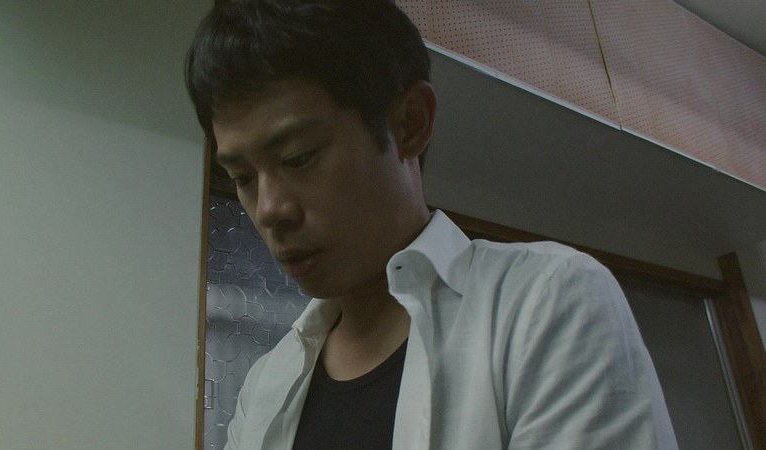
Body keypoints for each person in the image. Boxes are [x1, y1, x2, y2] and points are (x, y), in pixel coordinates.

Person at [185, 0, 678, 448]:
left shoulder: (544, 301)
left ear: (410, 124)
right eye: (242, 177)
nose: (269, 210)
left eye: (299, 157)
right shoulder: (265, 385)